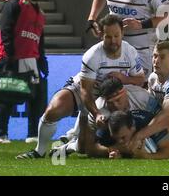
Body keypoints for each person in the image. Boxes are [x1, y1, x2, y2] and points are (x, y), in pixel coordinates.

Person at [15, 14, 145, 159]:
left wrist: (124, 78)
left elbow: (140, 80)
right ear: (101, 35)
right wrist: (96, 114)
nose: (113, 41)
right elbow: (85, 91)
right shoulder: (92, 56)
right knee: (53, 111)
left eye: (116, 36)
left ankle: (72, 143)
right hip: (85, 89)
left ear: (122, 33)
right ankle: (39, 151)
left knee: (84, 148)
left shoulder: (130, 53)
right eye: (108, 36)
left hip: (108, 97)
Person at [0, 0, 48, 144]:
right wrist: (9, 56)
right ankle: (2, 134)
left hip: (31, 60)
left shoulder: (40, 13)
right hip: (11, 57)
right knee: (7, 95)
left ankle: (32, 134)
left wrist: (42, 60)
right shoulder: (15, 3)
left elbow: (40, 40)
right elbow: (6, 30)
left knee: (35, 98)